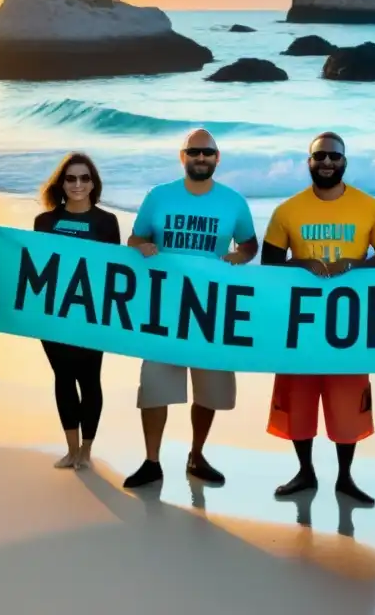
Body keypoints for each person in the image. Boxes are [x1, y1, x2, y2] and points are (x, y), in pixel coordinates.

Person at [261, 132, 375, 506]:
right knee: (299, 402)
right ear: (309, 162)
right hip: (301, 324)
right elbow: (269, 266)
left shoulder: (368, 207)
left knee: (346, 406)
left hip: (348, 326)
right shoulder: (287, 211)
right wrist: (300, 263)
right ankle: (305, 472)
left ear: (345, 162)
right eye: (319, 156)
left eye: (334, 157)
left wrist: (358, 264)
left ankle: (345, 478)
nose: (327, 162)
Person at [123, 128, 258, 489]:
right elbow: (135, 238)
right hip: (164, 310)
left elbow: (249, 243)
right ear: (182, 157)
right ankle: (152, 462)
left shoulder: (233, 201)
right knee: (154, 387)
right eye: (194, 151)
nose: (201, 158)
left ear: (217, 158)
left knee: (209, 390)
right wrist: (140, 247)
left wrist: (240, 256)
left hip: (211, 312)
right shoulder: (159, 197)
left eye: (208, 153)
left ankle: (196, 455)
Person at [33, 152, 121, 470]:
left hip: (91, 314)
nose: (78, 184)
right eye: (71, 178)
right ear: (62, 183)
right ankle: (70, 449)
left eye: (85, 178)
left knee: (89, 378)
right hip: (53, 314)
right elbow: (37, 268)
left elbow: (114, 272)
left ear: (93, 183)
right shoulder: (45, 222)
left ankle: (86, 451)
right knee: (63, 377)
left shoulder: (106, 222)